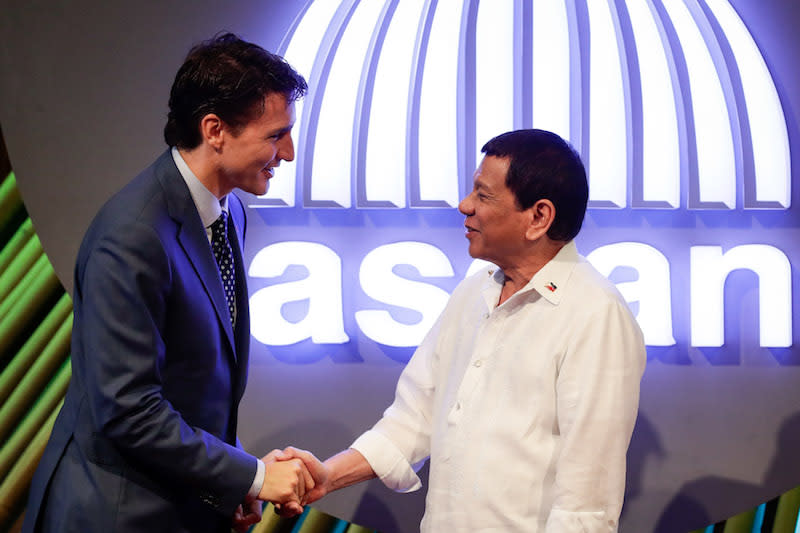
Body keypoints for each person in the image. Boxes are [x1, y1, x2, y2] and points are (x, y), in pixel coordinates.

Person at [23, 33, 319, 533]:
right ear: (215, 130)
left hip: (178, 506)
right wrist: (251, 476)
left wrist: (233, 483)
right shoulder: (133, 234)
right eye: (275, 135)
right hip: (116, 515)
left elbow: (192, 386)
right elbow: (128, 409)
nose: (287, 152)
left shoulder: (230, 216)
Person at [282, 129, 647, 532]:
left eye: (483, 195)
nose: (464, 205)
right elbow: (412, 420)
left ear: (538, 217)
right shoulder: (474, 291)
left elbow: (586, 504)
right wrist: (328, 475)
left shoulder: (596, 314)